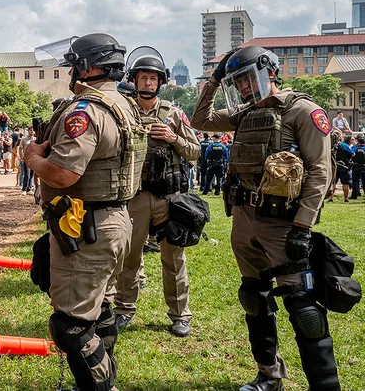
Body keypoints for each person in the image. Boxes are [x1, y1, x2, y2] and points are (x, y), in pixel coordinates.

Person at [192, 45, 341, 391]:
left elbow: (320, 173)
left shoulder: (300, 110)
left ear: (269, 71)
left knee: (303, 307)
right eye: (238, 82)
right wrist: (215, 79)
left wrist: (303, 226)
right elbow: (200, 120)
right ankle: (269, 373)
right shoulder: (244, 114)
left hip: (283, 223)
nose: (244, 87)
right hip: (244, 219)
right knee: (254, 297)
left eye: (247, 78)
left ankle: (325, 385)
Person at [25, 33, 146, 391]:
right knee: (100, 310)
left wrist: (32, 158)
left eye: (76, 64)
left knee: (72, 326)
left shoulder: (86, 110)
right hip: (116, 220)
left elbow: (64, 173)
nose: (72, 71)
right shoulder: (125, 104)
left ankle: (98, 386)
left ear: (89, 66)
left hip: (85, 226)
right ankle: (104, 380)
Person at [114, 46, 198, 338]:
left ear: (160, 82)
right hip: (135, 196)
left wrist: (174, 138)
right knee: (130, 256)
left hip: (168, 197)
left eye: (153, 79)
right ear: (134, 80)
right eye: (143, 78)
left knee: (173, 258)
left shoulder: (174, 113)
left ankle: (179, 314)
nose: (148, 83)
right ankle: (124, 309)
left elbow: (195, 151)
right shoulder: (123, 112)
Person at [329, 135, 355, 203]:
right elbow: (353, 154)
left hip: (335, 165)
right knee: (345, 183)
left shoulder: (334, 145)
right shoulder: (345, 145)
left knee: (333, 183)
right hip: (344, 167)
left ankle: (331, 198)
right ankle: (346, 199)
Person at [20, 127, 35, 195]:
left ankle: (29, 188)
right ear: (28, 131)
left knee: (31, 174)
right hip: (26, 158)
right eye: (30, 130)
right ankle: (24, 189)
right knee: (27, 174)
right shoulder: (24, 139)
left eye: (33, 130)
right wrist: (21, 157)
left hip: (33, 158)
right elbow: (20, 148)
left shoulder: (35, 139)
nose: (32, 131)